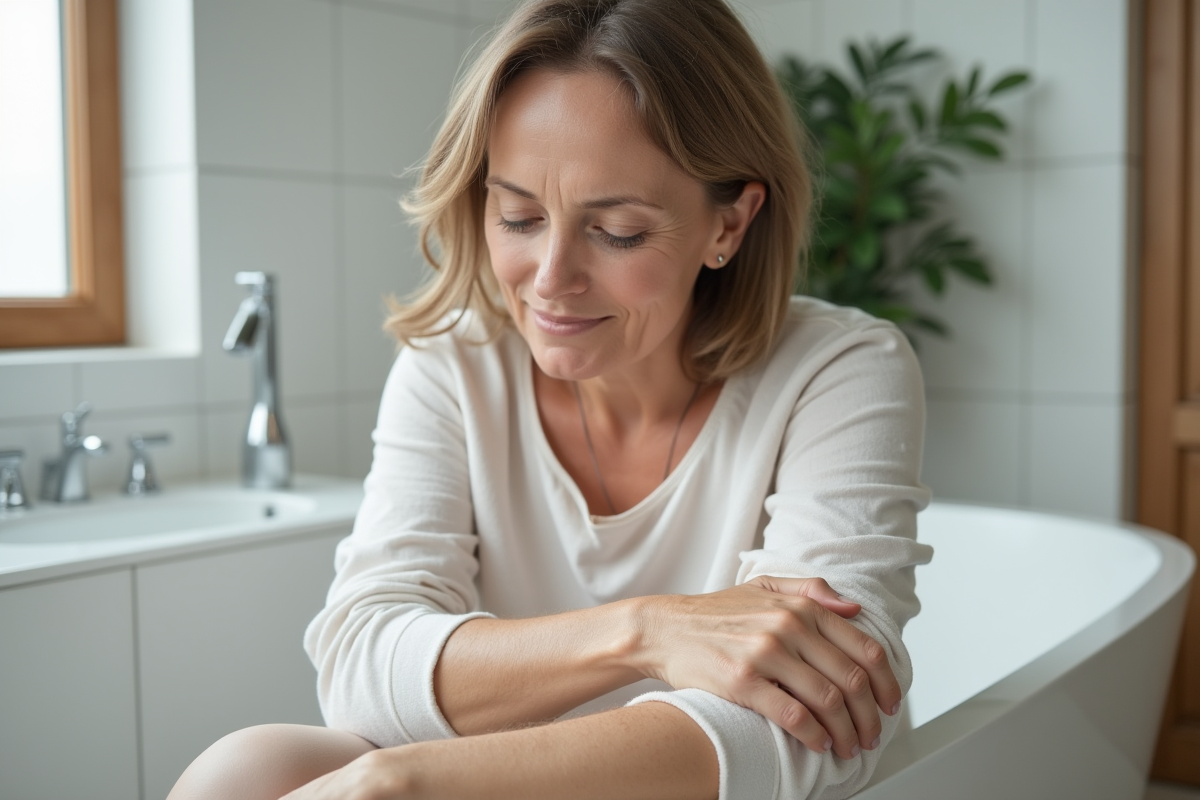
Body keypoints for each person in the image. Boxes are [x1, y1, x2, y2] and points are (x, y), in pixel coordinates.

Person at [167, 1, 933, 798]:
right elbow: (359, 663)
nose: (551, 277)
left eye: (619, 231)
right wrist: (646, 631)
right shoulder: (454, 365)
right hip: (521, 776)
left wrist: (409, 780)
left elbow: (823, 727)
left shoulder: (840, 370)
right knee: (242, 773)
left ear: (730, 224)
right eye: (519, 216)